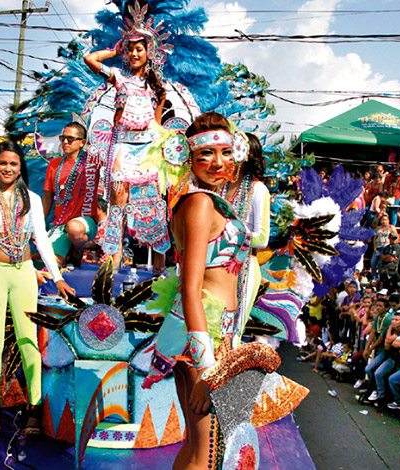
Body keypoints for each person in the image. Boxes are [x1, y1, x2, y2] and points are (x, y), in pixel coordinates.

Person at [142, 113, 260, 468]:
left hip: (213, 331)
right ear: (188, 158)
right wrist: (207, 364)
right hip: (200, 335)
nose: (218, 162)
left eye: (225, 152)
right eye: (206, 154)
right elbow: (190, 287)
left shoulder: (206, 201)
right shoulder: (200, 204)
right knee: (207, 452)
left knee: (202, 446)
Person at [0, 141, 76, 438]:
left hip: (23, 272)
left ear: (20, 168)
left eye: (13, 164)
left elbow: (41, 239)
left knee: (29, 343)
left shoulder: (32, 199)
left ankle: (34, 410)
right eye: (2, 163)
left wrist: (57, 277)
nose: (8, 169)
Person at [83, 8, 172, 268]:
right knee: (117, 209)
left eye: (138, 49)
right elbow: (90, 59)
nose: (133, 54)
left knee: (153, 210)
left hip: (147, 152)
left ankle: (158, 273)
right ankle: (112, 269)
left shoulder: (158, 88)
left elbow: (156, 125)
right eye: (130, 49)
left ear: (149, 53)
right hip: (122, 147)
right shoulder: (118, 78)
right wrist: (115, 49)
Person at [221, 133, 270, 319]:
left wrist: (227, 235)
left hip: (244, 267)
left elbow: (262, 238)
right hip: (217, 265)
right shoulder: (222, 187)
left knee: (232, 328)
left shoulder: (258, 190)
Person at [42, 122, 100, 267]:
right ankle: (65, 254)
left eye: (70, 138)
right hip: (59, 224)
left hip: (84, 224)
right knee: (51, 264)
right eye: (62, 138)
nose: (65, 142)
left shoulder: (92, 162)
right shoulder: (54, 165)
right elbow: (48, 197)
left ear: (82, 143)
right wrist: (39, 224)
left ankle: (77, 249)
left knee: (74, 228)